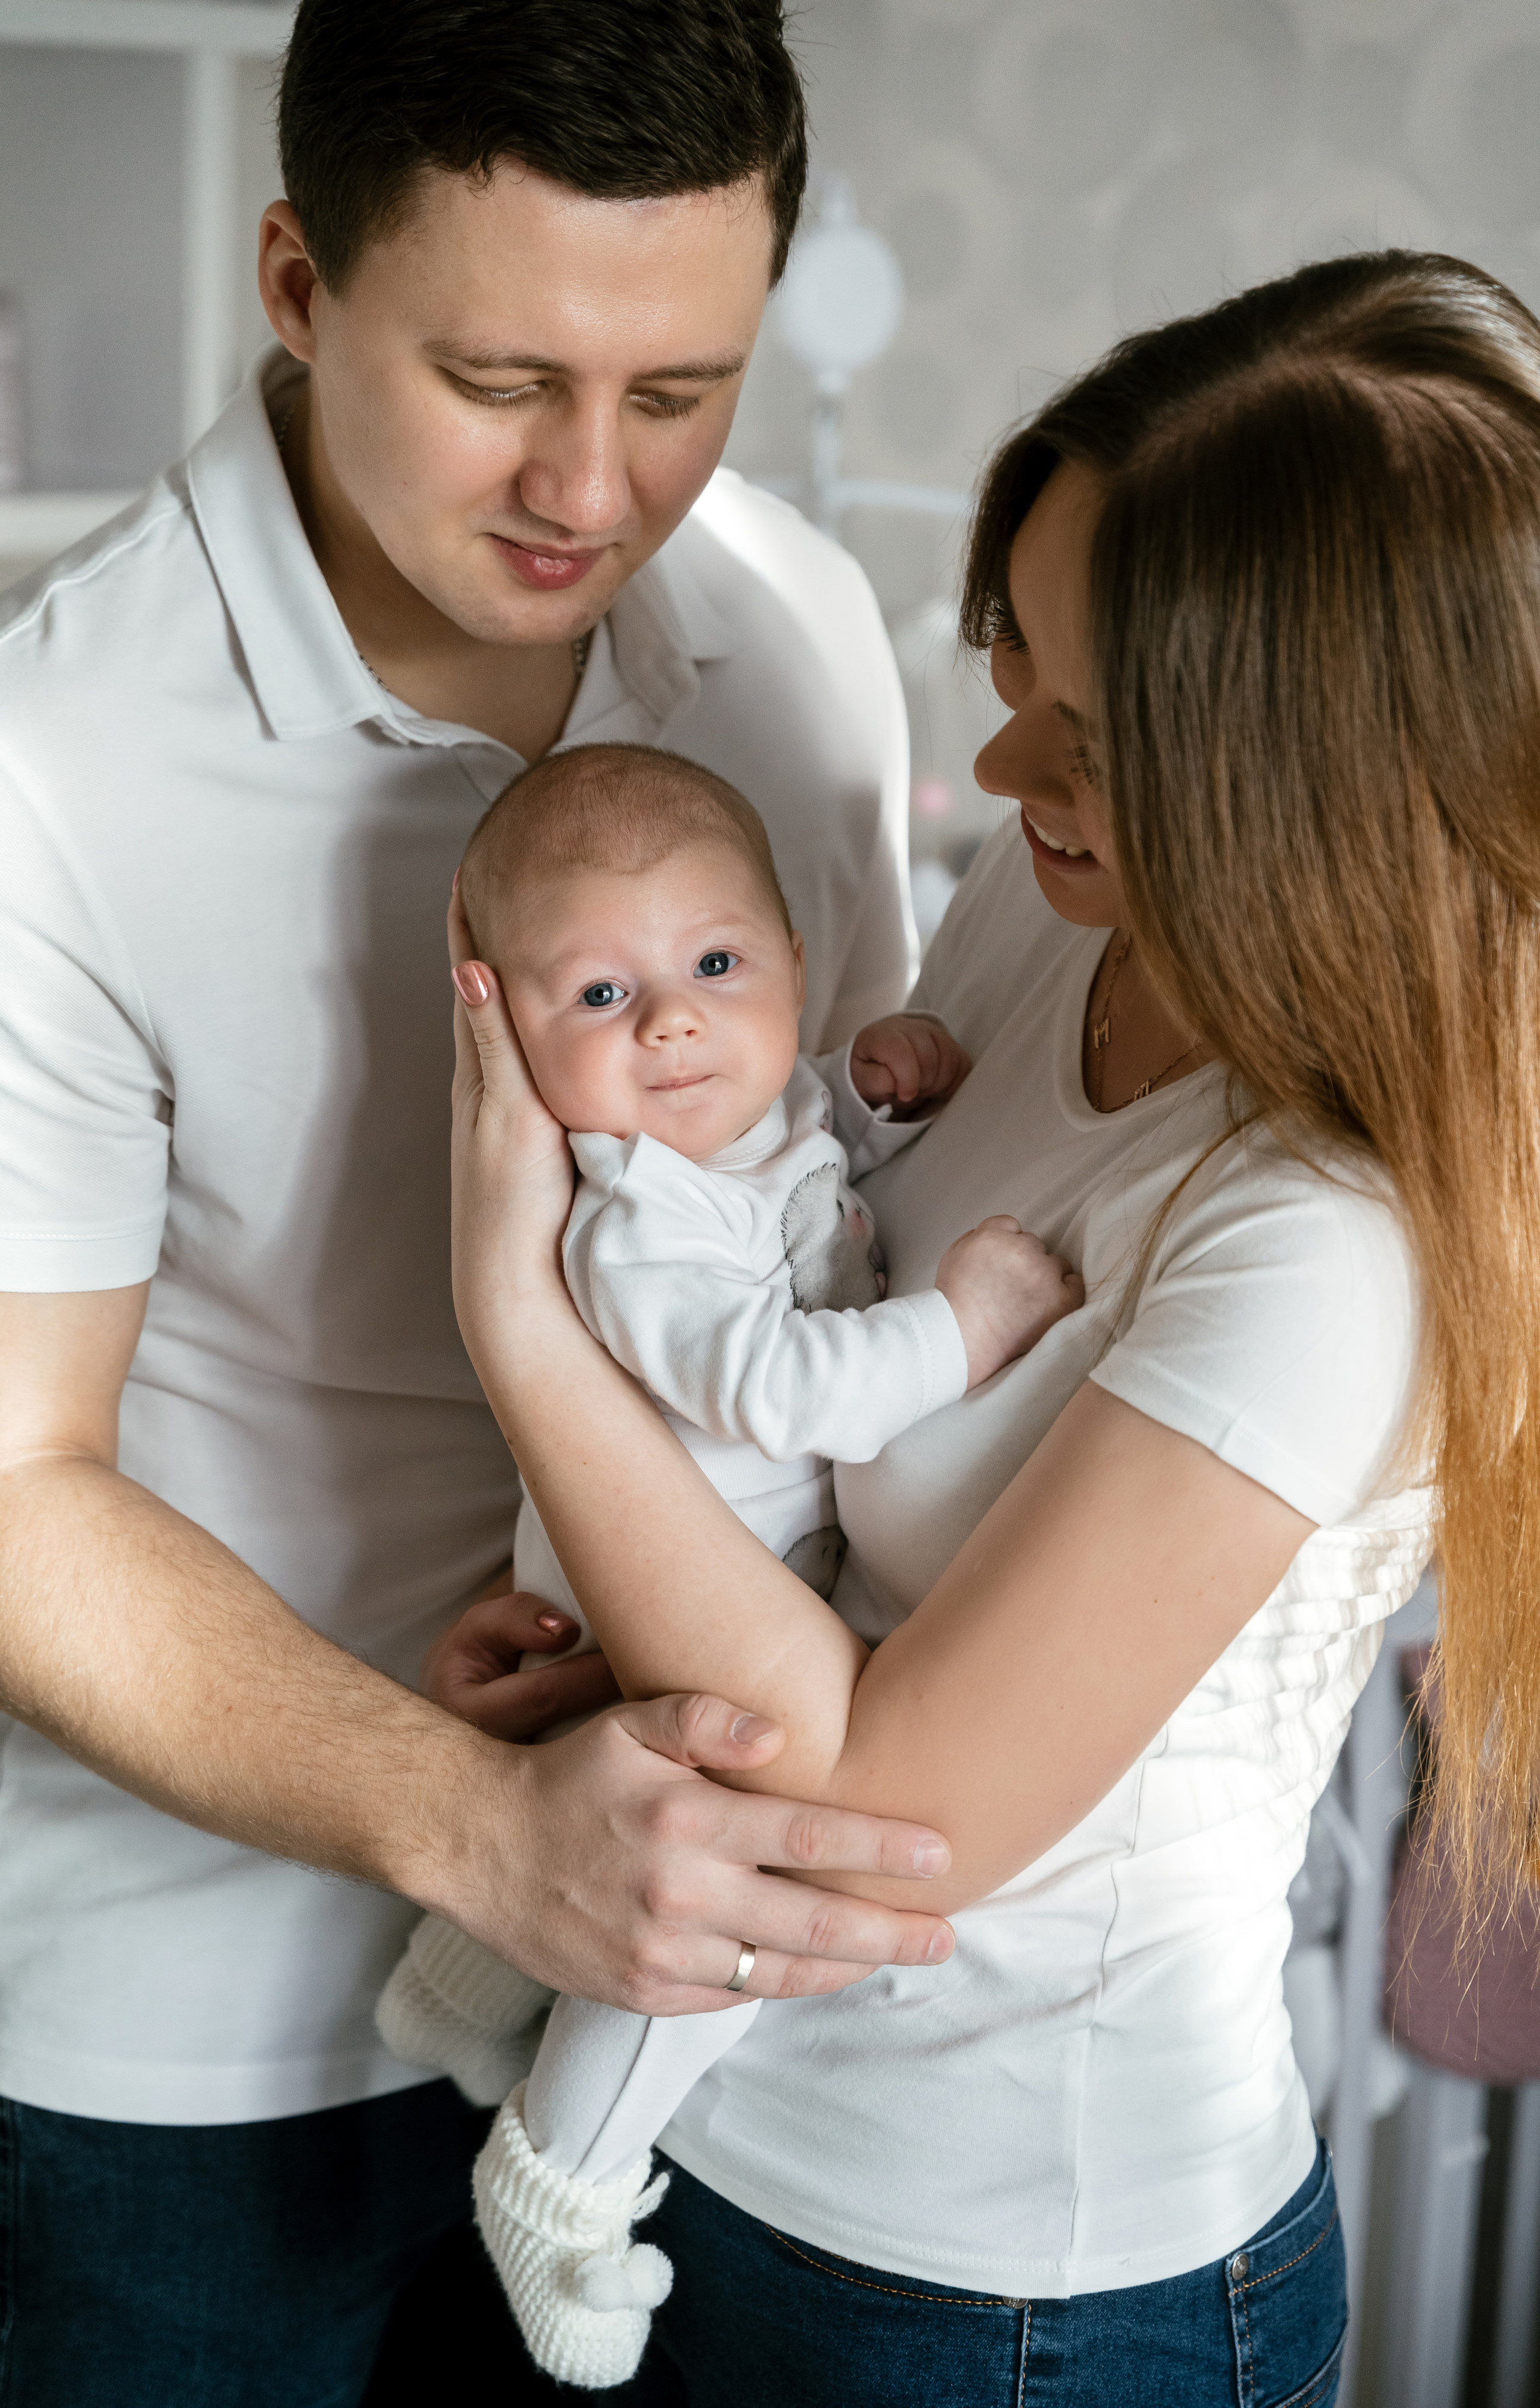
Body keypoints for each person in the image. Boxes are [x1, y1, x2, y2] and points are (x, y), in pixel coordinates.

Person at [442, 247, 1540, 2404]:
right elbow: (806, 1339)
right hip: (718, 2141)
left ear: (1299, 784)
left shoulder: (1323, 1242)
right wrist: (590, 1630)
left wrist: (522, 1325)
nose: (1004, 744)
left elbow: (890, 1811)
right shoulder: (1050, 928)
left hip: (1014, 2289)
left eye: (1094, 728)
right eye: (1022, 652)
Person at [0, 6, 960, 2401]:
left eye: (676, 390)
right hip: (187, 2044)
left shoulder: (797, 634)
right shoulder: (56, 762)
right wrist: (484, 1825)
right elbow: (12, 1478)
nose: (591, 483)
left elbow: (838, 1196)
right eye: (501, 377)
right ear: (298, 283)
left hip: (701, 2012)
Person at [371, 742, 1080, 2385]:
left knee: (627, 1820)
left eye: (712, 965)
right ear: (506, 1036)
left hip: (690, 1602)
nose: (670, 1023)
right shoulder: (633, 1217)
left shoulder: (762, 1123)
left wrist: (875, 1088)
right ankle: (561, 2175)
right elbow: (781, 1379)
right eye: (600, 994)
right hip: (683, 1616)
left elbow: (822, 1188)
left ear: (796, 965)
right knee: (712, 1913)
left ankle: (463, 1982)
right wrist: (962, 1326)